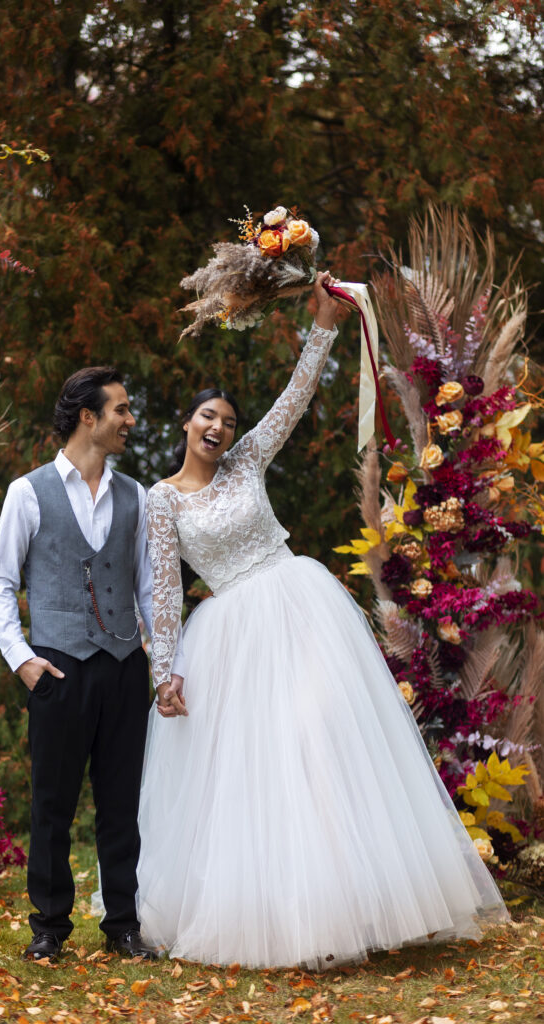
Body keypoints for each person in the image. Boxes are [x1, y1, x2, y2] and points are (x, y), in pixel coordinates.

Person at [137, 271, 509, 970]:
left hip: (297, 603)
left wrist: (323, 328)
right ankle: (283, 910)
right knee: (260, 760)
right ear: (187, 424)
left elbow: (294, 399)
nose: (218, 428)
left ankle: (363, 898)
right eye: (207, 417)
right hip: (230, 634)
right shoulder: (162, 500)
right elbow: (162, 590)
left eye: (226, 420)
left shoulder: (247, 459)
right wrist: (164, 672)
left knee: (322, 733)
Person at [0, 366, 183, 962]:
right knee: (53, 803)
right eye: (121, 409)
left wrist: (160, 667)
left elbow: (147, 589)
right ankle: (49, 928)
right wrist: (23, 660)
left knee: (122, 804)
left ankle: (123, 925)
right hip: (58, 668)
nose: (130, 420)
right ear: (88, 417)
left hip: (123, 667)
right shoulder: (28, 492)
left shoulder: (135, 495)